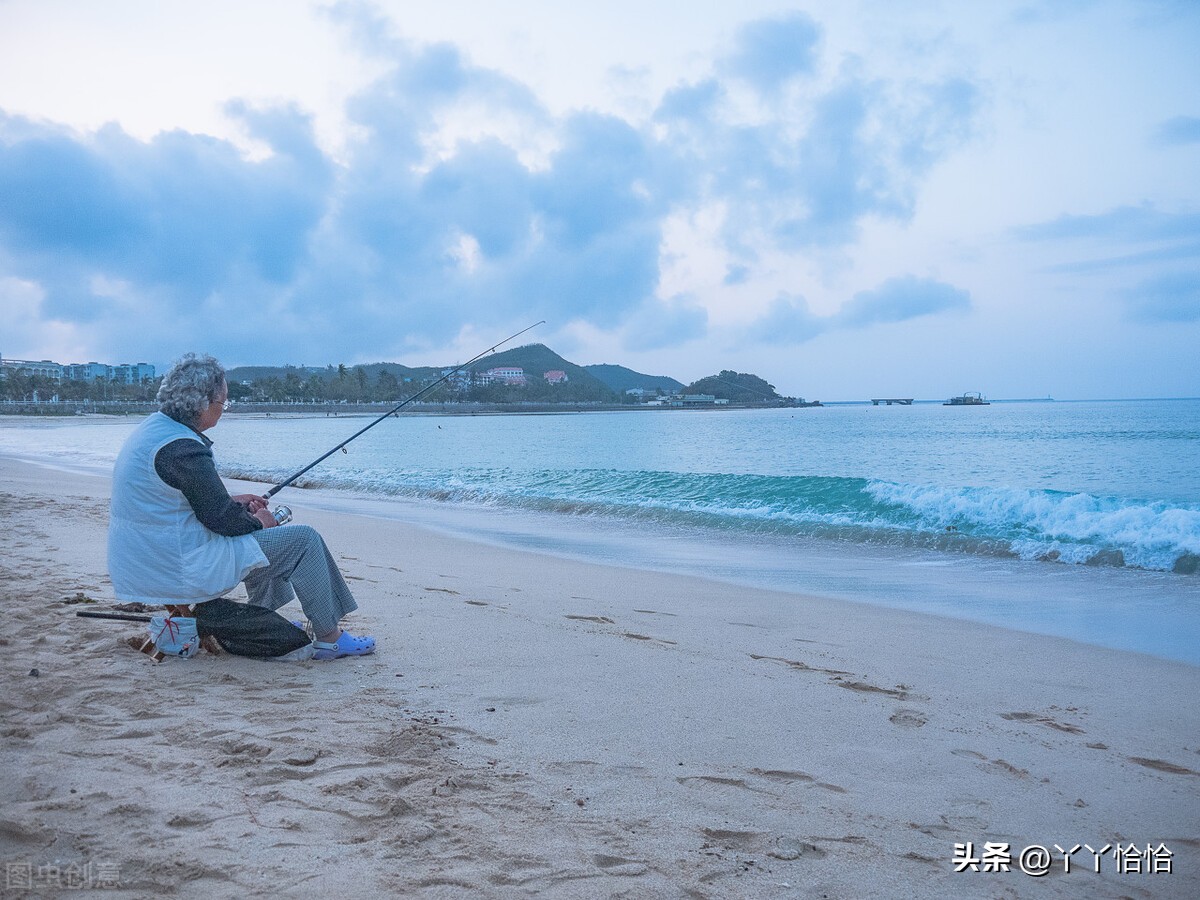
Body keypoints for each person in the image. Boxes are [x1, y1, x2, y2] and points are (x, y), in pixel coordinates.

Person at [107, 353, 375, 660]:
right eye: (224, 402)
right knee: (302, 540)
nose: (224, 410)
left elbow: (177, 500)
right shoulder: (183, 449)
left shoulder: (154, 430)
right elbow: (221, 521)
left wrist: (236, 502)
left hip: (147, 557)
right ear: (204, 402)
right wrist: (262, 521)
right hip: (175, 566)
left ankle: (260, 618)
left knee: (262, 543)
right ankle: (330, 638)